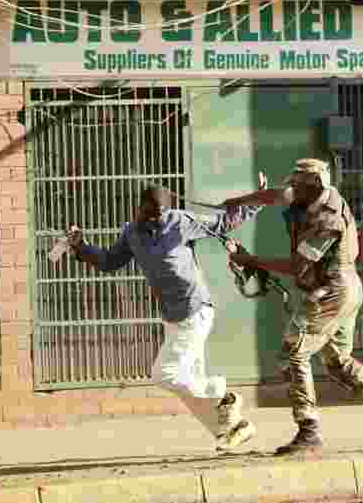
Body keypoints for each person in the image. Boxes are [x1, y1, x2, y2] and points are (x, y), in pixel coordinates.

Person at [221, 158, 363, 456]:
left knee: (293, 354)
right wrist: (237, 201)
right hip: (344, 289)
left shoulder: (328, 221)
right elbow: (277, 195)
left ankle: (309, 432)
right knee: (337, 361)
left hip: (333, 292)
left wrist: (251, 260)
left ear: (313, 186)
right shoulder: (316, 195)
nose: (291, 188)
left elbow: (298, 266)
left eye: (297, 184)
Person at [64, 177, 267, 451]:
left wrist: (258, 201)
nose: (154, 221)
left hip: (195, 310)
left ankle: (224, 395)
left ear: (166, 212)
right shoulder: (132, 233)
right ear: (139, 208)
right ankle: (231, 427)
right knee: (187, 383)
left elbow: (223, 223)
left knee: (165, 374)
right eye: (148, 214)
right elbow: (109, 261)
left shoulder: (181, 221)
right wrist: (80, 246)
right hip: (172, 316)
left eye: (158, 216)